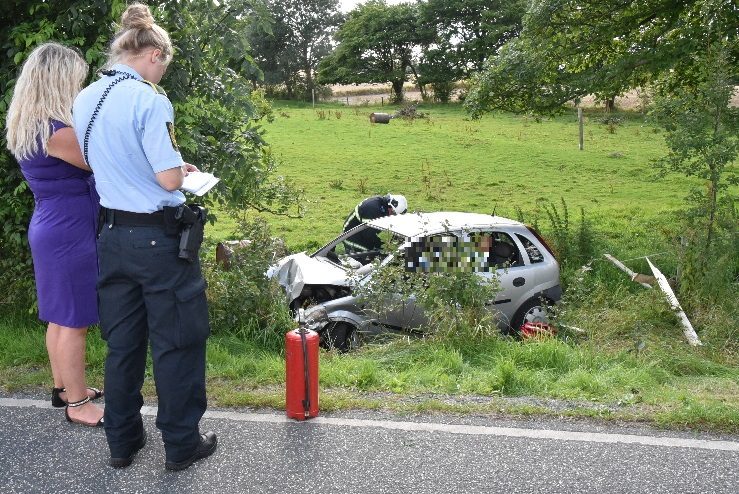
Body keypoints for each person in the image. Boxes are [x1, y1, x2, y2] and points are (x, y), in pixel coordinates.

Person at [72, 3, 215, 471]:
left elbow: (108, 162)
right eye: (163, 65)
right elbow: (170, 181)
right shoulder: (150, 99)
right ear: (153, 53)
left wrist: (163, 169)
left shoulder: (85, 98)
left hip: (111, 235)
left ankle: (122, 442)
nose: (161, 74)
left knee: (123, 344)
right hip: (158, 241)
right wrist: (180, 170)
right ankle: (180, 445)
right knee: (176, 342)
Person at [5, 43, 104, 428]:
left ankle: (63, 387)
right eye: (75, 81)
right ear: (58, 81)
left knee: (59, 316)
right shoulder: (56, 131)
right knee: (74, 318)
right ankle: (77, 404)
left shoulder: (31, 125)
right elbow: (101, 163)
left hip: (53, 224)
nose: (79, 88)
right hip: (70, 230)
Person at [342, 194, 408, 253]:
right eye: (393, 214)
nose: (392, 216)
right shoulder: (371, 209)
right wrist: (381, 245)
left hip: (363, 234)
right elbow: (368, 234)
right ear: (390, 207)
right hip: (351, 236)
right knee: (369, 257)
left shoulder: (383, 206)